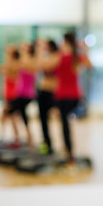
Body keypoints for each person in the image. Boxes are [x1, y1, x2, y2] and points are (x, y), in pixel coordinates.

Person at [38, 32, 92, 164]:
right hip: (73, 96)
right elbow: (89, 65)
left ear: (65, 41)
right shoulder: (75, 57)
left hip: (64, 95)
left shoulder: (62, 56)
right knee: (65, 121)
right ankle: (68, 150)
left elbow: (44, 65)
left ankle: (69, 152)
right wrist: (84, 50)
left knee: (64, 123)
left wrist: (41, 51)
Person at [6, 42, 38, 148]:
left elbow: (26, 64)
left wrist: (23, 51)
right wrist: (10, 55)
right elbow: (10, 68)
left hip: (28, 94)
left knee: (13, 113)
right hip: (20, 94)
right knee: (17, 115)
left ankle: (24, 138)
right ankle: (25, 138)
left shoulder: (32, 61)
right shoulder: (22, 61)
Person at [0, 45, 21, 143]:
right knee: (6, 115)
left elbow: (8, 66)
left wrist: (7, 53)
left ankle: (16, 137)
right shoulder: (9, 65)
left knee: (12, 117)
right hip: (8, 94)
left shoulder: (15, 64)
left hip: (14, 95)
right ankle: (7, 135)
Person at [36, 39, 59, 154]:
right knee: (43, 119)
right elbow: (39, 66)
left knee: (61, 119)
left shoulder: (56, 56)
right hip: (43, 91)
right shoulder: (48, 56)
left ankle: (65, 145)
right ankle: (47, 143)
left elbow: (45, 66)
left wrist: (40, 52)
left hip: (53, 92)